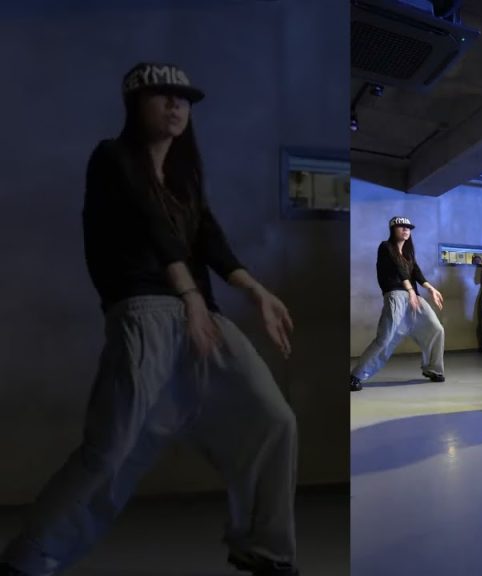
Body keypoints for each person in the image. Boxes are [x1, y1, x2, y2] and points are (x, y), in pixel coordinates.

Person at [0, 62, 300, 576]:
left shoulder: (185, 178)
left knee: (273, 421)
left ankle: (264, 547)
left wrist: (256, 292)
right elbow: (151, 224)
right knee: (112, 450)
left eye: (183, 98)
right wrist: (188, 296)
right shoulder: (112, 158)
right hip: (145, 314)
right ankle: (26, 559)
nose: (176, 105)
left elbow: (209, 239)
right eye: (162, 96)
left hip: (201, 315)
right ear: (135, 104)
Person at [349, 216, 446, 392]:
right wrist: (410, 291)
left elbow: (416, 272)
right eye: (401, 226)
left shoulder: (408, 253)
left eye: (408, 227)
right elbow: (399, 269)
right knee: (386, 338)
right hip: (396, 295)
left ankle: (433, 369)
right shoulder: (386, 247)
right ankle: (355, 376)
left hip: (414, 297)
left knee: (436, 329)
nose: (406, 229)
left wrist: (430, 288)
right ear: (393, 229)